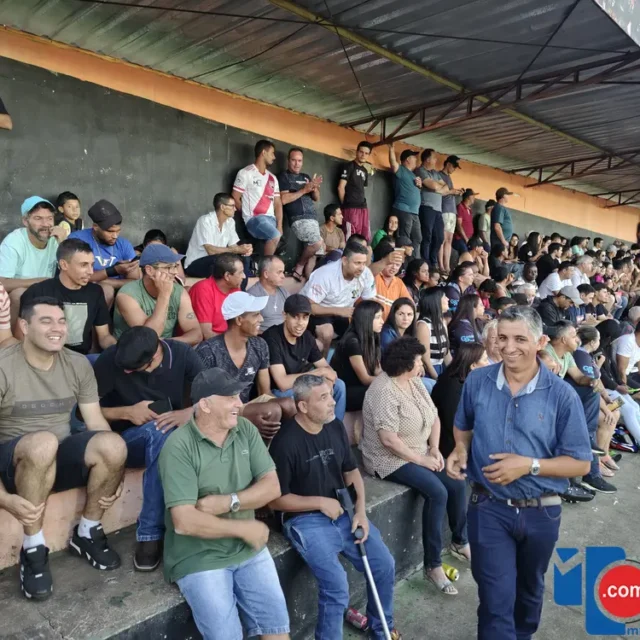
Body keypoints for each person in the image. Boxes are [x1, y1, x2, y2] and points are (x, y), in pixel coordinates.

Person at [447, 305, 592, 640]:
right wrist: (461, 449)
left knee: (528, 594)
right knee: (495, 601)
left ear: (540, 342)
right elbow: (463, 425)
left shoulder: (562, 395)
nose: (508, 347)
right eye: (502, 338)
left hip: (542, 511)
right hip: (488, 507)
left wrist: (529, 465)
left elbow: (581, 463)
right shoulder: (478, 381)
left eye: (519, 339)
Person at [0, 297, 127, 600]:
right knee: (42, 443)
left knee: (113, 443)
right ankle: (33, 548)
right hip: (15, 462)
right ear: (24, 326)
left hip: (58, 456)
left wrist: (117, 470)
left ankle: (88, 531)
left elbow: (96, 422)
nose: (57, 329)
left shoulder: (77, 363)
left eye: (61, 321)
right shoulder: (4, 366)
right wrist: (4, 498)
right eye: (46, 321)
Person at [158, 368, 289, 640]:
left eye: (239, 396)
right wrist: (243, 529)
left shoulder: (245, 429)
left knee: (277, 631)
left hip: (247, 549)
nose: (240, 404)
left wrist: (230, 502)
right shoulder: (178, 446)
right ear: (205, 405)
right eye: (230, 397)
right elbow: (184, 521)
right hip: (199, 557)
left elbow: (272, 486)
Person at [269, 375, 399, 640]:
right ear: (303, 406)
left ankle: (381, 628)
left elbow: (351, 472)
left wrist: (360, 511)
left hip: (344, 512)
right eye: (323, 397)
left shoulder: (335, 427)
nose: (332, 402)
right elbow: (275, 500)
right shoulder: (285, 442)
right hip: (304, 520)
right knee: (337, 586)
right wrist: (319, 502)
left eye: (330, 394)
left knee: (384, 564)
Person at [361, 336, 469, 596]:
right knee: (437, 492)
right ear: (405, 364)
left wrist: (434, 448)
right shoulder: (383, 391)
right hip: (387, 459)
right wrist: (422, 460)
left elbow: (434, 417)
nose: (422, 364)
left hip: (420, 450)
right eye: (418, 360)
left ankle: (459, 540)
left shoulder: (414, 382)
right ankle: (433, 565)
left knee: (456, 481)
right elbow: (388, 440)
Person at [94, 326, 204, 571]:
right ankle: (150, 532)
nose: (126, 372)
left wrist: (189, 412)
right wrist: (127, 412)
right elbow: (83, 412)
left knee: (170, 432)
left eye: (132, 369)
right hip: (124, 441)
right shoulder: (111, 359)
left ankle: (194, 520)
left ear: (155, 357)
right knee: (161, 430)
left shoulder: (181, 353)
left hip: (171, 434)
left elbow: (213, 395)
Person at [196, 292, 295, 439]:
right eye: (255, 315)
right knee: (271, 410)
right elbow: (200, 402)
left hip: (246, 405)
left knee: (288, 405)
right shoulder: (208, 351)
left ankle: (281, 450)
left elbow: (264, 392)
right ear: (239, 320)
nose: (261, 319)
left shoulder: (259, 345)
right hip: (218, 410)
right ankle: (259, 451)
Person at [19, 239, 116, 355]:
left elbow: (104, 336)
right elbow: (21, 338)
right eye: (83, 265)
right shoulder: (38, 291)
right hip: (44, 356)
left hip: (80, 358)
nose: (90, 271)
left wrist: (118, 349)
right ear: (64, 265)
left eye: (92, 265)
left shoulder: (95, 292)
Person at [264, 294, 346, 421]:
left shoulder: (306, 337)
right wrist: (319, 372)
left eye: (305, 317)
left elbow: (328, 370)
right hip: (279, 392)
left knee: (339, 385)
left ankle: (335, 427)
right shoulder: (272, 337)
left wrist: (328, 384)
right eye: (295, 317)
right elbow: (282, 383)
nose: (300, 323)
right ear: (284, 315)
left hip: (300, 385)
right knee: (309, 394)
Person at [113, 244, 202, 346]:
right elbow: (147, 338)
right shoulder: (127, 294)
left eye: (175, 266)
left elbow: (196, 334)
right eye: (168, 267)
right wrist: (164, 295)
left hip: (167, 347)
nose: (175, 272)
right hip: (131, 349)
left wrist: (166, 343)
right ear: (149, 270)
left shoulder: (179, 292)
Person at [301, 243, 376, 355]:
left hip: (344, 313)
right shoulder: (325, 275)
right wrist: (338, 311)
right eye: (357, 263)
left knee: (369, 327)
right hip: (317, 312)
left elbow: (370, 302)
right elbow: (308, 306)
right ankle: (322, 362)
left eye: (364, 263)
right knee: (326, 332)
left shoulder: (365, 273)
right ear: (344, 260)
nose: (361, 268)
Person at [0, 197, 62, 327]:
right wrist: (40, 281)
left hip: (46, 292)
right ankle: (10, 338)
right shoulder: (13, 243)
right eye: (38, 218)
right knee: (19, 294)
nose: (46, 224)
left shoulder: (56, 240)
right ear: (25, 221)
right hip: (21, 297)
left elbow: (73, 271)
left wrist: (64, 242)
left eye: (49, 218)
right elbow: (2, 283)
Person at [69, 200, 140, 309]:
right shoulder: (77, 240)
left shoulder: (124, 245)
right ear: (95, 227)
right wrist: (114, 271)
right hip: (81, 291)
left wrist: (105, 281)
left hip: (118, 295)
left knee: (107, 288)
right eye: (110, 231)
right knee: (105, 290)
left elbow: (134, 281)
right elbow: (75, 276)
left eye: (118, 231)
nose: (115, 236)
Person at [431, 342, 489, 468]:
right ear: (473, 365)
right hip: (451, 447)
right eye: (485, 360)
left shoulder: (468, 381)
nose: (488, 363)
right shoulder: (452, 388)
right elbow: (454, 425)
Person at [330, 300, 384, 412]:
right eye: (378, 317)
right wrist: (391, 382)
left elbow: (377, 371)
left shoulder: (373, 337)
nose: (382, 321)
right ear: (366, 318)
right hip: (346, 392)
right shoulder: (352, 341)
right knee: (384, 391)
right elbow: (365, 379)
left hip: (361, 388)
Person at [278, 147, 323, 280]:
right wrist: (304, 190)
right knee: (316, 243)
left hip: (312, 217)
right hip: (298, 217)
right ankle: (299, 266)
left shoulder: (305, 177)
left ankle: (308, 280)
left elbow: (316, 198)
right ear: (288, 161)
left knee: (317, 251)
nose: (297, 164)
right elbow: (284, 200)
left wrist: (314, 188)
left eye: (299, 161)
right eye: (294, 160)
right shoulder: (283, 177)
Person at [233, 139, 283, 256]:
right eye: (272, 153)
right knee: (275, 236)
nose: (274, 157)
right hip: (255, 219)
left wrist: (280, 225)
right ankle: (266, 265)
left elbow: (277, 203)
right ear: (263, 153)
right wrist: (246, 214)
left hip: (272, 220)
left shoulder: (273, 178)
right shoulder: (245, 173)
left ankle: (263, 264)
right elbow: (235, 197)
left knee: (278, 238)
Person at [184, 193, 252, 278]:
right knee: (221, 261)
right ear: (222, 207)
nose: (235, 209)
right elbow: (211, 251)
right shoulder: (205, 221)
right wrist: (236, 250)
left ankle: (245, 280)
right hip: (195, 264)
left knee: (243, 258)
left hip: (217, 260)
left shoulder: (230, 222)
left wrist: (244, 249)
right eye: (232, 206)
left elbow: (233, 246)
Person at [416, 149, 459, 271]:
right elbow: (434, 186)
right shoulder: (420, 170)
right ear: (427, 159)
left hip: (438, 210)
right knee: (427, 236)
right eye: (434, 158)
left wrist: (438, 188)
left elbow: (446, 187)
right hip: (426, 207)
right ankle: (426, 262)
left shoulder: (435, 173)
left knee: (440, 237)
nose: (436, 160)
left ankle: (433, 261)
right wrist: (438, 188)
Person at [189, 253, 243, 340]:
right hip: (206, 343)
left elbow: (240, 323)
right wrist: (232, 342)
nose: (244, 276)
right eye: (240, 273)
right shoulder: (203, 290)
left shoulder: (235, 288)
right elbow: (206, 334)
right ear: (227, 276)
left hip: (227, 339)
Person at [388, 143, 422, 258]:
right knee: (404, 239)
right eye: (414, 157)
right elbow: (393, 163)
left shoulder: (413, 175)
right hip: (404, 210)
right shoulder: (401, 170)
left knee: (417, 238)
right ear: (407, 159)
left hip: (414, 212)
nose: (416, 160)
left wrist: (420, 186)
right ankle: (402, 263)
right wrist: (391, 148)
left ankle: (415, 263)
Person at [338, 141, 373, 241]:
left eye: (366, 153)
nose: (363, 155)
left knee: (364, 236)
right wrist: (345, 205)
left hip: (363, 207)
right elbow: (340, 187)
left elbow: (362, 189)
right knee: (351, 236)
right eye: (361, 152)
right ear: (357, 152)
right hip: (351, 207)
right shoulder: (349, 166)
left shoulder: (365, 171)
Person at [416, 288, 451, 383]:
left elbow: (446, 353)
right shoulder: (423, 325)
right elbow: (426, 361)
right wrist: (438, 381)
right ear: (436, 301)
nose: (448, 299)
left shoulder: (442, 322)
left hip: (440, 368)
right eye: (444, 297)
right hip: (428, 372)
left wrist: (454, 374)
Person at [247, 256, 289, 333]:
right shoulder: (253, 295)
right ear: (266, 274)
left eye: (283, 272)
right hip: (264, 337)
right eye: (279, 272)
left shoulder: (283, 292)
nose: (283, 276)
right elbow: (250, 328)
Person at [373, 245, 412, 320]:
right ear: (384, 261)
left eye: (397, 265)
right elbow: (366, 272)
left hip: (389, 325)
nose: (394, 267)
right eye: (391, 263)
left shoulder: (399, 282)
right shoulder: (374, 275)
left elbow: (410, 304)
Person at [439, 155, 463, 273]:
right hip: (444, 210)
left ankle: (447, 266)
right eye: (453, 166)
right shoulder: (439, 175)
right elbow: (439, 192)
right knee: (442, 240)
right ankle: (441, 265)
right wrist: (452, 191)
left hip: (452, 211)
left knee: (449, 240)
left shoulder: (448, 177)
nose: (454, 169)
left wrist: (455, 192)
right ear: (448, 164)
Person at [612, 320, 640, 388]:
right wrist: (624, 386)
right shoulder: (627, 341)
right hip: (619, 375)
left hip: (631, 373)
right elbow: (621, 370)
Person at [453, 188, 478, 256]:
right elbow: (459, 225)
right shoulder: (460, 207)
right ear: (468, 197)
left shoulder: (469, 209)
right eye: (473, 196)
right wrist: (466, 239)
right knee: (465, 253)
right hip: (460, 239)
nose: (474, 198)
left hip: (468, 239)